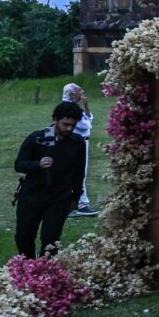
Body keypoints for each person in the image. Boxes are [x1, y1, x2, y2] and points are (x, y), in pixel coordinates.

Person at [14, 101, 87, 258]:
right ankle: (28, 269)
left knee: (51, 239)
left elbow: (79, 173)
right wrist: (37, 164)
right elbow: (19, 164)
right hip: (31, 195)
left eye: (73, 125)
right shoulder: (37, 138)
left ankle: (46, 274)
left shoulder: (77, 143)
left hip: (59, 197)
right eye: (65, 124)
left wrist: (76, 197)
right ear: (55, 119)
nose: (69, 128)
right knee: (24, 236)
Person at [61, 83, 98, 217]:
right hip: (78, 143)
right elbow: (86, 125)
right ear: (72, 94)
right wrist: (86, 117)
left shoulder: (74, 107)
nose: (82, 94)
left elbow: (89, 119)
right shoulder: (69, 108)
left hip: (81, 142)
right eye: (79, 92)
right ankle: (81, 204)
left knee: (75, 173)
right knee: (79, 173)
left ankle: (72, 203)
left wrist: (86, 106)